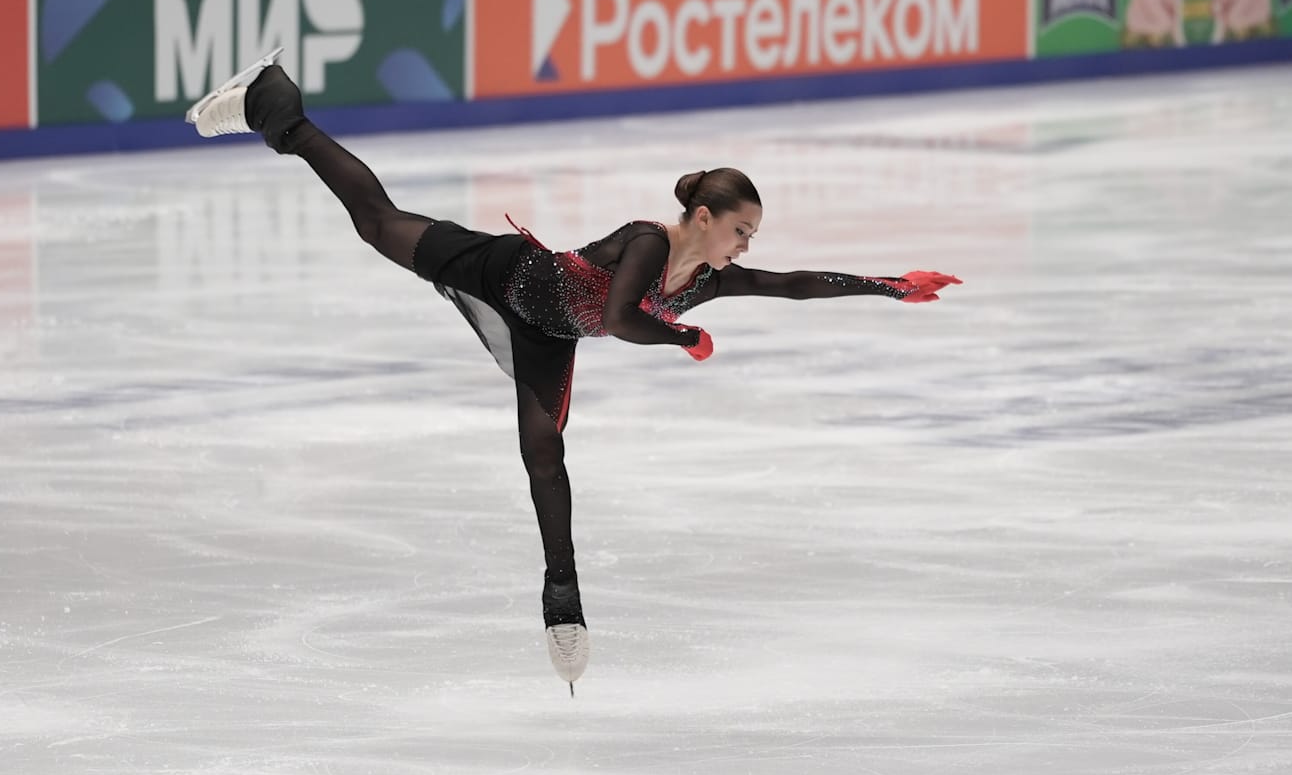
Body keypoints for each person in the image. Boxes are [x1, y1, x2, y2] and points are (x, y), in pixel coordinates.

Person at [187, 51, 961, 695]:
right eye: (740, 231)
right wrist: (682, 336)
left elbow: (790, 283)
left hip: (548, 336)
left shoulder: (704, 278)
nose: (744, 248)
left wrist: (890, 285)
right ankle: (277, 108)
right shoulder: (650, 244)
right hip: (506, 272)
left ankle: (563, 595)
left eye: (750, 236)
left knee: (542, 451)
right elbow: (622, 316)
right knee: (377, 223)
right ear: (703, 218)